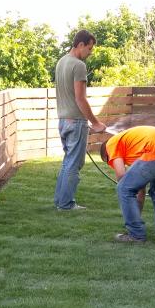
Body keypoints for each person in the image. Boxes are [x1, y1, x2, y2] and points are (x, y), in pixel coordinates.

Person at [100, 126, 155, 243]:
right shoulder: (133, 147)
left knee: (123, 188)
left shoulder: (111, 144)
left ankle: (136, 235)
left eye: (109, 162)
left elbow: (122, 177)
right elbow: (140, 190)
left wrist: (133, 220)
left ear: (106, 155)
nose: (111, 163)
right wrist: (136, 215)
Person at [54, 30, 107, 210]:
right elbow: (80, 98)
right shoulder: (78, 65)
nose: (90, 53)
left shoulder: (61, 62)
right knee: (74, 163)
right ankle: (67, 204)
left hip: (63, 120)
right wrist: (96, 123)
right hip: (76, 121)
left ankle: (60, 201)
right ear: (81, 45)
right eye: (90, 48)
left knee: (68, 161)